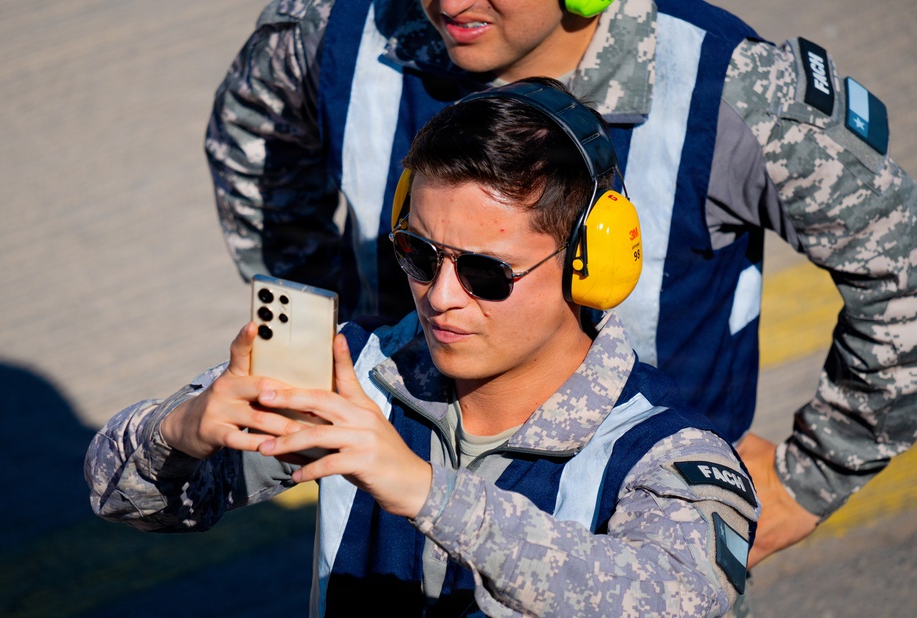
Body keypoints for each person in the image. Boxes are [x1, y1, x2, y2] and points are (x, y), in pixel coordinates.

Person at [205, 0, 916, 578]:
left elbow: (903, 269)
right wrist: (317, 352)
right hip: (385, 535)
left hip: (624, 562)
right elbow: (253, 145)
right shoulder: (338, 34)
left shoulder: (727, 88)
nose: (449, 4)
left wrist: (809, 477)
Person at [87, 80, 759, 618]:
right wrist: (181, 430)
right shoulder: (354, 377)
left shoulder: (675, 456)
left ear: (592, 266)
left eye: (484, 272)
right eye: (419, 253)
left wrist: (426, 491)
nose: (440, 295)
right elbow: (120, 494)